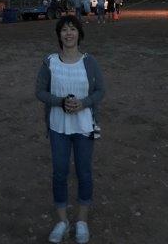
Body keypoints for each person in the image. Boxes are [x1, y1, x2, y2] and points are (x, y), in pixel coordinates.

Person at [36, 15, 105, 244]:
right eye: (64, 30)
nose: (68, 33)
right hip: (58, 126)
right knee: (59, 172)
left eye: (73, 29)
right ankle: (62, 221)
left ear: (79, 34)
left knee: (84, 172)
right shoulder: (49, 62)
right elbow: (40, 91)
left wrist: (83, 103)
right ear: (59, 35)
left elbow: (100, 92)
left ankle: (81, 221)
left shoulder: (90, 62)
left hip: (84, 126)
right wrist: (60, 102)